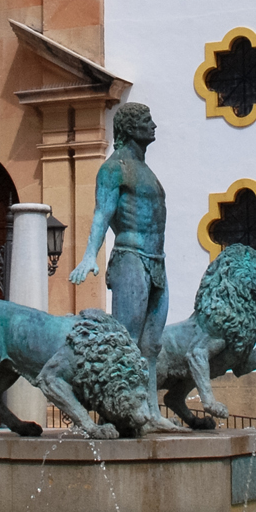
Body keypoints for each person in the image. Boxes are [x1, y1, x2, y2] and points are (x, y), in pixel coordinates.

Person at [67, 102, 169, 361]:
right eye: (147, 120)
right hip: (131, 258)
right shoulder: (114, 168)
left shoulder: (146, 171)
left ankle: (148, 403)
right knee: (127, 341)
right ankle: (119, 400)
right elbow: (102, 214)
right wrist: (90, 255)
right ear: (130, 127)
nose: (153, 125)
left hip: (158, 261)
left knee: (152, 346)